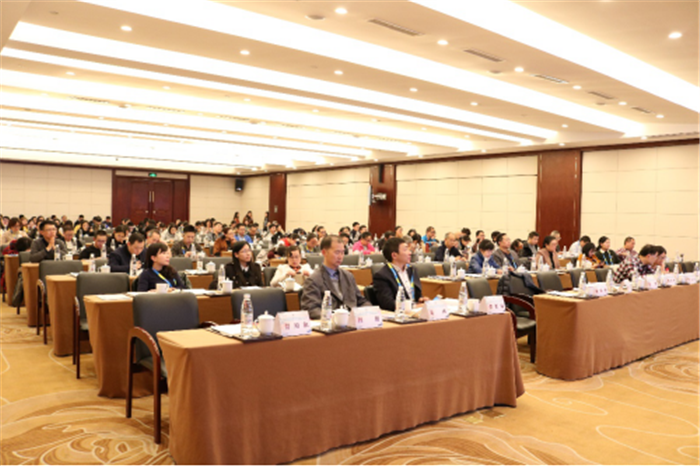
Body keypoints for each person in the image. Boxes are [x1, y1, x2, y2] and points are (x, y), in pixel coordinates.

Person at [301, 235, 369, 318]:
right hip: (330, 321)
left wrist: (369, 311)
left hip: (352, 320)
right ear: (324, 252)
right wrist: (333, 317)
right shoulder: (314, 280)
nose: (340, 256)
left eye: (342, 252)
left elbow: (361, 301)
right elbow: (311, 309)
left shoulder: (348, 276)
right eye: (337, 252)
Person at [373, 237, 427, 311]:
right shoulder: (382, 276)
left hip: (415, 311)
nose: (410, 253)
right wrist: (413, 306)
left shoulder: (411, 270)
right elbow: (387, 304)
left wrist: (421, 300)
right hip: (399, 314)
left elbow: (415, 295)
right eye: (405, 250)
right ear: (394, 255)